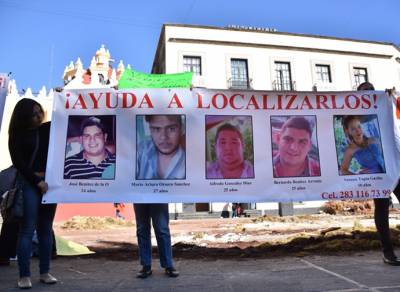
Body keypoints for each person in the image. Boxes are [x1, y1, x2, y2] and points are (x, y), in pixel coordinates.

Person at [8, 98, 57, 288]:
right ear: (24, 115)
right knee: (27, 230)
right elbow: (19, 164)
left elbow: (66, 117)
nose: (38, 116)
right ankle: (24, 276)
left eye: (40, 112)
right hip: (30, 184)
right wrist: (38, 181)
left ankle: (45, 272)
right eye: (34, 113)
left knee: (46, 229)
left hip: (49, 185)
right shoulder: (17, 135)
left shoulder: (46, 129)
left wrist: (64, 96)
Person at [357, 81, 400, 265]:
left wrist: (391, 96)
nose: (368, 94)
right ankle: (388, 253)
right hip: (377, 168)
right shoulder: (357, 116)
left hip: (396, 161)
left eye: (370, 91)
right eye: (364, 92)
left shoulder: (385, 104)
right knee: (382, 208)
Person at [134, 204, 179, 278]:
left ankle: (168, 264)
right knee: (142, 229)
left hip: (158, 195)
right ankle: (146, 265)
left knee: (162, 229)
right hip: (139, 195)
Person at [136, 115, 185, 179]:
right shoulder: (141, 150)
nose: (163, 137)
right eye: (157, 129)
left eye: (171, 129)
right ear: (150, 130)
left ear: (181, 129)